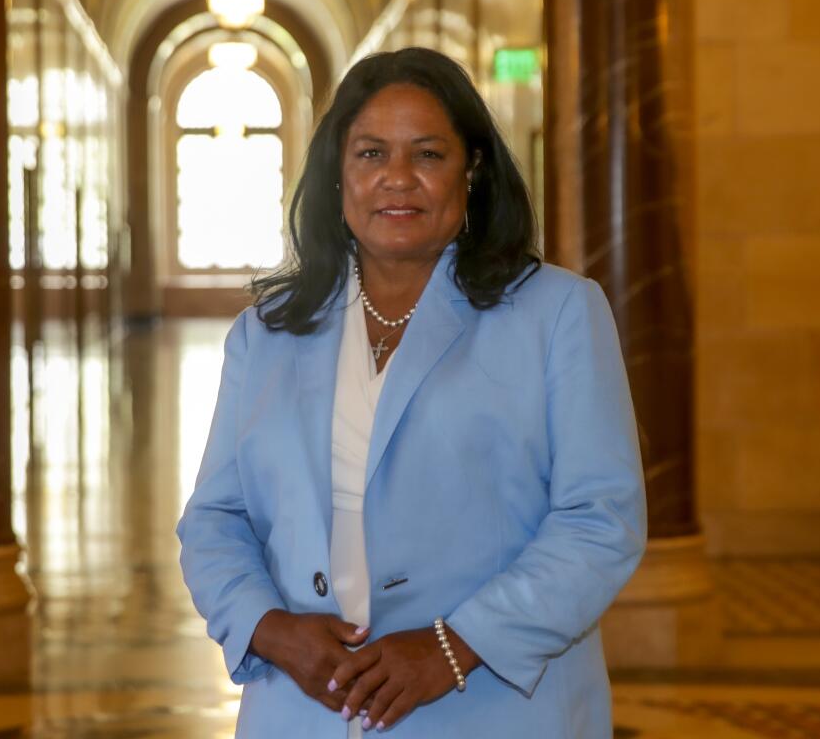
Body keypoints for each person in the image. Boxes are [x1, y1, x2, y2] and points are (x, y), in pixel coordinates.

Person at [177, 47, 646, 738]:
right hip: (302, 711)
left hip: (492, 709)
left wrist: (452, 648)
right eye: (370, 153)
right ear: (338, 173)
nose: (397, 179)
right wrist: (271, 629)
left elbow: (599, 521)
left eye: (427, 154)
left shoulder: (557, 314)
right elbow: (214, 520)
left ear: (473, 171)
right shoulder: (266, 333)